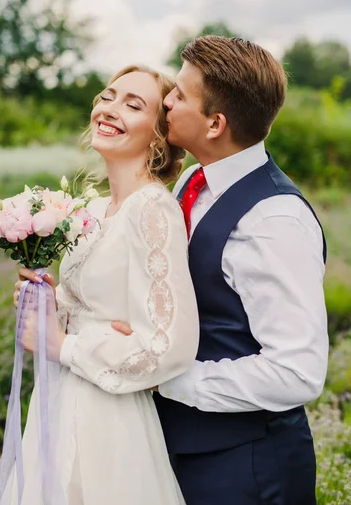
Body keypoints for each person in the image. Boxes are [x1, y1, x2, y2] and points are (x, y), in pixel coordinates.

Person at [114, 37, 329, 505]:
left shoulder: (274, 223)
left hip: (248, 469)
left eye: (180, 96)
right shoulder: (192, 181)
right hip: (181, 449)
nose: (166, 100)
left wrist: (167, 379)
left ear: (215, 123)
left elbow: (297, 372)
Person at [0, 65, 200, 505]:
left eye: (133, 103)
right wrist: (46, 301)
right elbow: (93, 308)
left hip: (109, 421)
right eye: (108, 96)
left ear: (158, 135)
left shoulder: (152, 210)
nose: (110, 108)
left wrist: (61, 343)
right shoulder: (96, 208)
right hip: (62, 402)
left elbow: (169, 345)